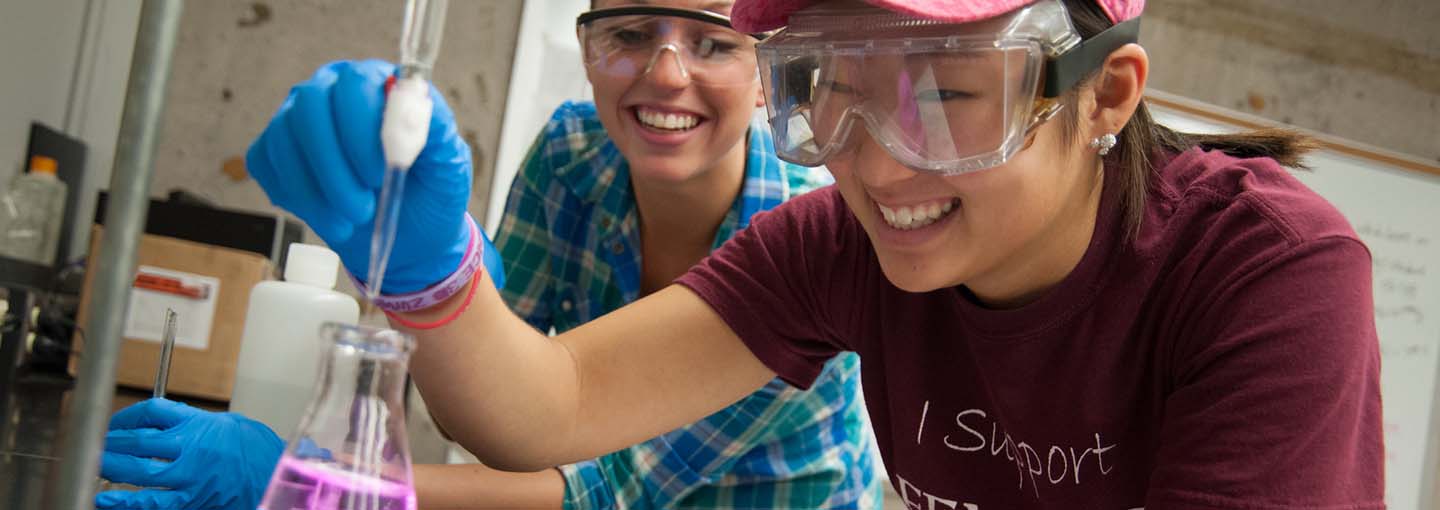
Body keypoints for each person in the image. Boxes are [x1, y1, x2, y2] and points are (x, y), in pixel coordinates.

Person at [166, 0, 1390, 508]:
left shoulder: (1267, 274)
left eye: (943, 98)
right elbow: (554, 408)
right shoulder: (852, 244)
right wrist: (429, 274)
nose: (871, 162)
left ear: (1105, 92)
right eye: (826, 95)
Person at [95, 2, 879, 509]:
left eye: (712, 42)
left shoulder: (804, 235)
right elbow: (497, 420)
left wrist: (308, 489)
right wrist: (445, 286)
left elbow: (598, 490)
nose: (666, 74)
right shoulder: (575, 153)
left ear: (770, 71)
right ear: (586, 45)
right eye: (631, 35)